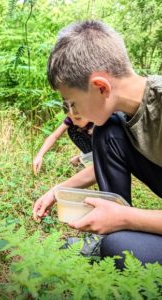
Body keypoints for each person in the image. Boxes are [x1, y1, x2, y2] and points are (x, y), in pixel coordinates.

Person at [33, 20, 162, 269]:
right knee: (107, 130)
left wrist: (125, 218)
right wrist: (56, 192)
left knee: (116, 248)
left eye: (72, 102)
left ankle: (116, 231)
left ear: (100, 87)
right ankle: (112, 233)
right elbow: (104, 163)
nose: (71, 111)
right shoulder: (122, 114)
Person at [33, 110, 94, 175]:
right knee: (72, 129)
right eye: (71, 118)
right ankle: (88, 157)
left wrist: (81, 158)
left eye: (77, 118)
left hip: (103, 151)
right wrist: (39, 155)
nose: (74, 122)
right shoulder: (73, 117)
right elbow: (54, 136)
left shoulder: (100, 119)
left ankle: (92, 160)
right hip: (93, 149)